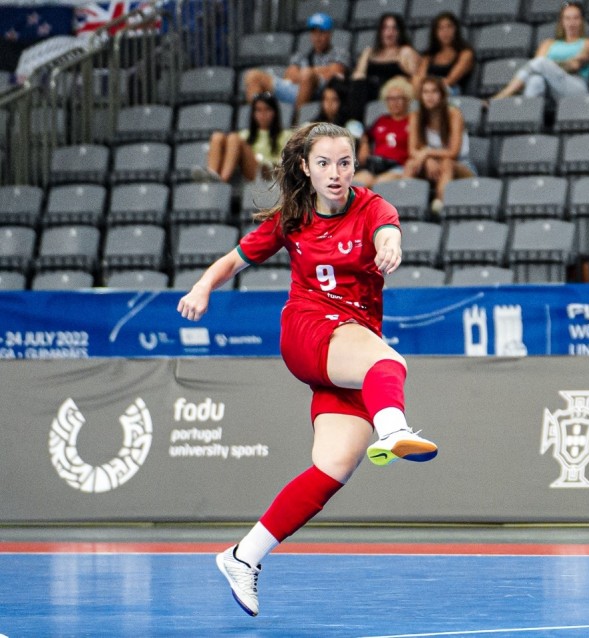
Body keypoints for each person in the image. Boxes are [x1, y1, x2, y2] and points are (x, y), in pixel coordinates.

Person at [177, 122, 439, 617]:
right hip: (308, 327)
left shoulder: (373, 207)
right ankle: (395, 429)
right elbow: (233, 260)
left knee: (331, 469)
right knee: (389, 362)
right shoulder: (292, 218)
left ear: (354, 166)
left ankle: (243, 556)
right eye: (324, 163)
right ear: (306, 168)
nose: (335, 173)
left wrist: (390, 246)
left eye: (344, 163)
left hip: (348, 347)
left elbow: (388, 232)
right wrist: (201, 287)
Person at [243, 13, 351, 113]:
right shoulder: (301, 55)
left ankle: (297, 123)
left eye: (321, 32)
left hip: (320, 92)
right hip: (295, 90)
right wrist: (315, 72)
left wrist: (308, 74)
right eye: (314, 32)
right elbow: (289, 76)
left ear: (330, 34)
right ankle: (254, 127)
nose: (318, 37)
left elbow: (334, 74)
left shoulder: (340, 53)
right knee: (252, 76)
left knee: (307, 74)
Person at [488, 1, 589, 101]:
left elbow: (574, 65)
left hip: (575, 87)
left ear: (581, 21)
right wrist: (552, 67)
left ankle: (502, 96)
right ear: (562, 22)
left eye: (576, 18)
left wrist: (549, 66)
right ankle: (527, 116)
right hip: (550, 88)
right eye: (567, 18)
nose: (571, 23)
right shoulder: (548, 44)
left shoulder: (588, 43)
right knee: (535, 80)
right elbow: (536, 68)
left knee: (541, 63)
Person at [405, 76, 476, 212]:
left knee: (447, 163)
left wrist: (427, 152)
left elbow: (453, 152)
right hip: (431, 164)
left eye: (434, 92)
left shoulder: (454, 114)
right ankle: (405, 210)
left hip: (461, 164)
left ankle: (439, 207)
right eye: (425, 92)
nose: (429, 96)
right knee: (410, 165)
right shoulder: (416, 115)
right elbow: (412, 150)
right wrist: (427, 159)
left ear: (442, 95)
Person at [196, 92, 291, 183]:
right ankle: (212, 174)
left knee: (234, 138)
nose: (263, 114)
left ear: (275, 112)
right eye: (258, 110)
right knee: (217, 137)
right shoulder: (245, 134)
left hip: (267, 172)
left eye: (267, 109)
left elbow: (284, 163)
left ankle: (221, 181)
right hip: (248, 169)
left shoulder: (285, 135)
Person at [344, 13, 420, 124]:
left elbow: (417, 78)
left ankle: (355, 123)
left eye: (394, 28)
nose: (390, 32)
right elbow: (358, 76)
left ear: (400, 32)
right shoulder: (369, 52)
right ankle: (353, 124)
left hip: (392, 92)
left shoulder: (405, 51)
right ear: (380, 32)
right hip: (369, 92)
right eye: (386, 28)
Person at [353, 76, 413, 189]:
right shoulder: (381, 120)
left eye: (398, 98)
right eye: (390, 99)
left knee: (378, 185)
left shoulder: (412, 121)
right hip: (376, 165)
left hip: (399, 166)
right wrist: (364, 144)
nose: (394, 103)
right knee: (354, 185)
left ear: (407, 100)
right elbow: (366, 134)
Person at [412, 11, 476, 96]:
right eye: (440, 28)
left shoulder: (466, 53)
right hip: (428, 92)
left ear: (456, 29)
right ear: (435, 33)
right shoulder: (429, 55)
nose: (445, 31)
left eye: (449, 27)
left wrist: (430, 89)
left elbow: (451, 80)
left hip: (452, 91)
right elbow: (420, 78)